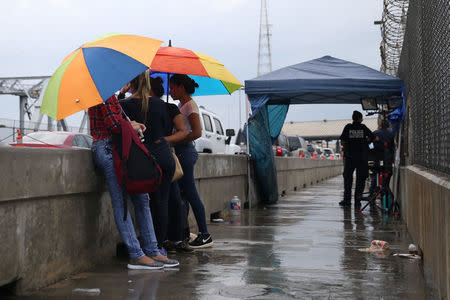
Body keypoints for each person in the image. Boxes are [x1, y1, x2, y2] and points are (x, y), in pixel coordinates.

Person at [89, 94, 174, 269]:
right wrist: (132, 125)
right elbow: (113, 124)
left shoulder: (107, 94)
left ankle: (151, 249)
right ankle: (137, 254)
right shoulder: (103, 93)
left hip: (115, 147)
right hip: (109, 148)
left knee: (142, 198)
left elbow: (117, 121)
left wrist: (130, 123)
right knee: (122, 201)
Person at [119, 72, 185, 258]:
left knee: (142, 204)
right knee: (161, 203)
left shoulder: (125, 105)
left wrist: (122, 93)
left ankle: (148, 245)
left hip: (143, 160)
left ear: (131, 84)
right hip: (164, 156)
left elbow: (118, 119)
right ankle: (159, 246)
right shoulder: (161, 105)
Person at [169, 74, 213, 248]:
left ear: (181, 87)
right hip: (182, 152)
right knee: (183, 196)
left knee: (191, 193)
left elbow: (196, 133)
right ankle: (183, 232)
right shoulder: (182, 105)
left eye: (172, 87)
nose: (170, 91)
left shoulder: (190, 106)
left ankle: (205, 234)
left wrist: (174, 140)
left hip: (185, 153)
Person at [339, 110, 376, 207]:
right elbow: (373, 137)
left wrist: (348, 145)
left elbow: (342, 141)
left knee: (348, 180)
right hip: (361, 158)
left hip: (350, 158)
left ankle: (347, 201)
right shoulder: (363, 128)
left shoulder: (348, 127)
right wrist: (366, 142)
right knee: (360, 180)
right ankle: (357, 201)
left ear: (353, 118)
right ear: (360, 118)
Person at [369, 118, 395, 194]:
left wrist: (373, 149)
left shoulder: (375, 133)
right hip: (387, 161)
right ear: (388, 126)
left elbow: (369, 144)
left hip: (377, 159)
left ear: (380, 125)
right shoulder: (391, 134)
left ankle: (371, 193)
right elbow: (392, 148)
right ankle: (384, 190)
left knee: (375, 174)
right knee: (387, 175)